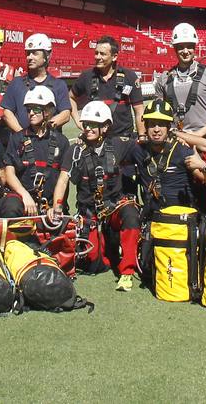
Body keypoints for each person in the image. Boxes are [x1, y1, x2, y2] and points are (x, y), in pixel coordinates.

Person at [48, 101, 142, 291]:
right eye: (86, 124)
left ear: (105, 126)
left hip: (115, 208)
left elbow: (145, 147)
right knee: (94, 264)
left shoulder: (118, 144)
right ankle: (108, 247)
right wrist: (57, 205)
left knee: (131, 214)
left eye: (93, 124)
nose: (88, 128)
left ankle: (127, 272)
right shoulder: (75, 151)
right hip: (89, 214)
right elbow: (63, 180)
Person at [128, 99, 206, 217]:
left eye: (161, 124)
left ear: (168, 126)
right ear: (145, 126)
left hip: (180, 222)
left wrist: (204, 167)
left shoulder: (182, 151)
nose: (156, 129)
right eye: (152, 124)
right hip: (152, 220)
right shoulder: (139, 150)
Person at [3, 86, 72, 217]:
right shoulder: (17, 138)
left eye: (36, 109)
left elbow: (63, 179)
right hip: (23, 199)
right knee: (10, 206)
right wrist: (24, 195)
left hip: (50, 204)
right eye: (28, 110)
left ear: (47, 111)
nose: (31, 113)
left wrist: (56, 206)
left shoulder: (61, 142)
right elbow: (9, 173)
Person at [156, 22, 206, 141]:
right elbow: (158, 114)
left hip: (204, 140)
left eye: (189, 46)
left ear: (195, 47)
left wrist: (198, 135)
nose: (185, 51)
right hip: (175, 141)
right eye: (181, 46)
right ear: (175, 48)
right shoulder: (164, 78)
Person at [70, 36, 143, 139]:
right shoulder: (86, 76)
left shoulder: (130, 76)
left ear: (114, 56)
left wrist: (142, 136)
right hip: (96, 141)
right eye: (96, 53)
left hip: (124, 141)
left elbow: (139, 111)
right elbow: (70, 97)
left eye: (102, 54)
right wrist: (78, 122)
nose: (98, 57)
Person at [1, 33, 72, 131]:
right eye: (28, 53)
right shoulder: (16, 83)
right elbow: (7, 112)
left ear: (47, 55)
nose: (29, 57)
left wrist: (44, 130)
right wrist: (23, 135)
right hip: (21, 143)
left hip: (49, 143)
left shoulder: (59, 85)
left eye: (34, 53)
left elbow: (65, 114)